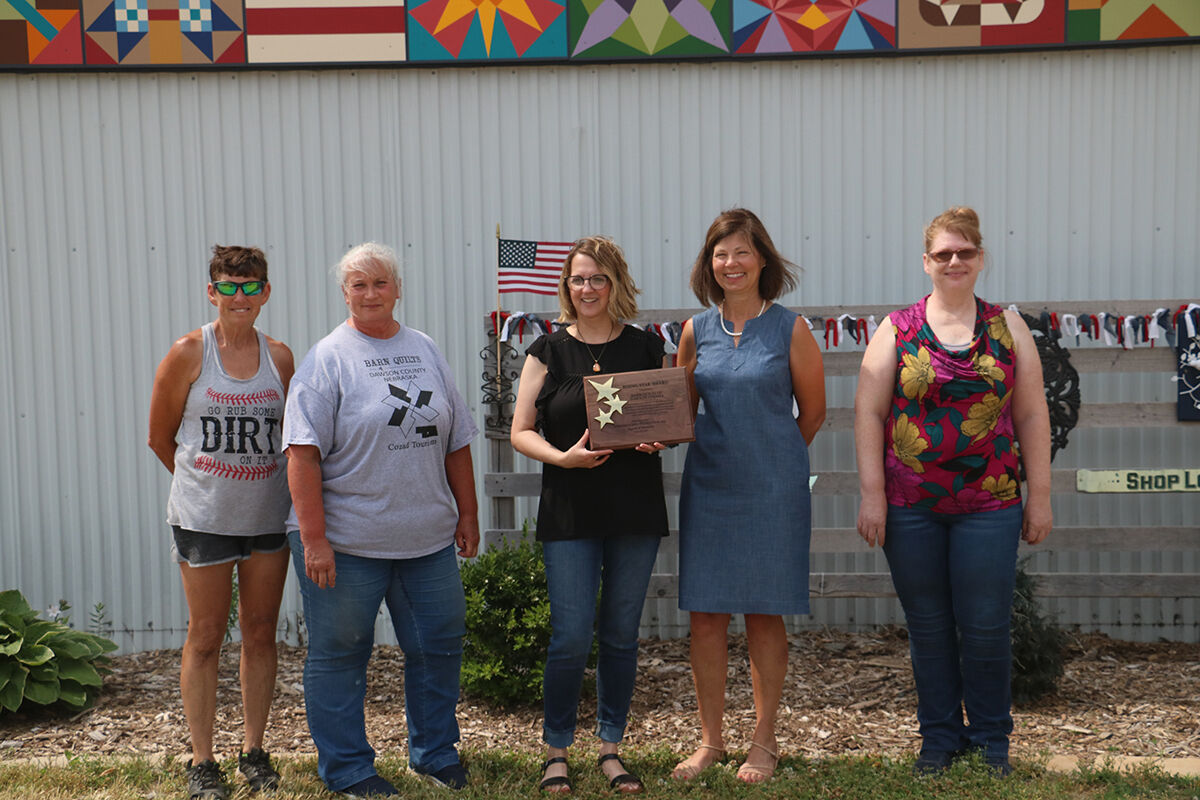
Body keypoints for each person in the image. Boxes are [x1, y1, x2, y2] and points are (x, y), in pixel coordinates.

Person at [854, 206, 1053, 776]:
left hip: (989, 505)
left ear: (981, 258)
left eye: (964, 252)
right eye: (943, 253)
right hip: (910, 506)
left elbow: (1033, 415)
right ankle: (939, 741)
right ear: (926, 263)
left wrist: (1038, 497)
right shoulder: (897, 328)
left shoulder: (1007, 327)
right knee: (930, 628)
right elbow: (868, 413)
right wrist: (872, 495)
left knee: (987, 624)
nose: (954, 261)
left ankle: (992, 742)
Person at [284, 242, 480, 798]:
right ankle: (347, 769)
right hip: (347, 542)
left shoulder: (425, 348)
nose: (370, 294)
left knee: (438, 643)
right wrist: (315, 539)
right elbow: (302, 452)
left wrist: (467, 513)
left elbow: (457, 439)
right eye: (357, 284)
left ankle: (435, 753)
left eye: (380, 283)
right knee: (342, 652)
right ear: (344, 292)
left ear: (397, 289)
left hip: (428, 538)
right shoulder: (328, 358)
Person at [510, 236, 669, 795]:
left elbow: (665, 419)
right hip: (570, 509)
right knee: (571, 637)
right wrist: (563, 459)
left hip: (634, 509)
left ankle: (610, 747)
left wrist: (658, 440)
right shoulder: (546, 351)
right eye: (579, 279)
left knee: (621, 635)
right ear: (566, 285)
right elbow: (520, 431)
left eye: (598, 278)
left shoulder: (648, 348)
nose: (588, 289)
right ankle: (556, 749)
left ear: (616, 283)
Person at [673, 209, 826, 784]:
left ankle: (765, 741)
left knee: (764, 614)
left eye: (741, 252)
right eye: (720, 254)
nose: (730, 263)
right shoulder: (695, 331)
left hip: (771, 491)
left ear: (763, 258)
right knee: (707, 617)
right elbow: (678, 407)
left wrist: (773, 460)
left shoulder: (791, 329)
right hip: (709, 487)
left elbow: (811, 413)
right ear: (708, 264)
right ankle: (710, 740)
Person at [148, 245, 295, 800]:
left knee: (260, 632)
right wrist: (208, 483)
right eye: (228, 287)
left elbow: (293, 439)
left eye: (250, 286)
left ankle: (254, 751)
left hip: (268, 517)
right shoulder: (189, 352)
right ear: (212, 292)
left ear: (265, 292)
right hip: (204, 519)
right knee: (206, 635)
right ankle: (202, 760)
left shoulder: (280, 358)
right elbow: (160, 437)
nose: (240, 297)